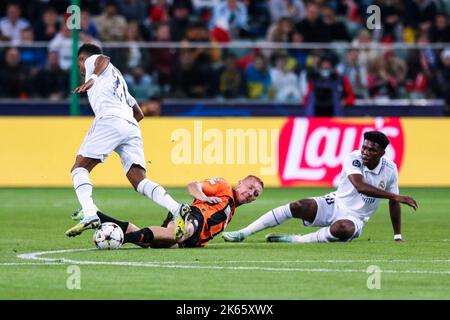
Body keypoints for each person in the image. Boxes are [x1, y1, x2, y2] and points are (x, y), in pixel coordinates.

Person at [65, 43, 190, 239]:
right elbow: (139, 113)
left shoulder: (93, 63)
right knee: (139, 181)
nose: (80, 69)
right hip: (131, 125)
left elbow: (102, 59)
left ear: (82, 59)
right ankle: (176, 208)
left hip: (109, 119)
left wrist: (92, 79)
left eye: (79, 64)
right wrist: (121, 133)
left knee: (79, 169)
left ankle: (89, 213)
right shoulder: (118, 80)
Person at [223, 131, 418, 244]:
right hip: (335, 202)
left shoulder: (390, 169)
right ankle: (244, 233)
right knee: (298, 206)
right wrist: (396, 196)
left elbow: (394, 203)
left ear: (382, 153)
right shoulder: (354, 158)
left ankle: (297, 240)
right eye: (364, 147)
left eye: (371, 150)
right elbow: (359, 186)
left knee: (343, 228)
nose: (365, 152)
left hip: (355, 217)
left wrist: (397, 234)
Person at [87, 175, 264, 248]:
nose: (250, 194)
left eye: (255, 194)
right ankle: (119, 239)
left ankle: (97, 216)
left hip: (191, 236)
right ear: (240, 183)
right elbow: (193, 186)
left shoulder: (231, 210)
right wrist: (203, 197)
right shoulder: (223, 187)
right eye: (249, 187)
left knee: (158, 242)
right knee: (180, 234)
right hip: (193, 215)